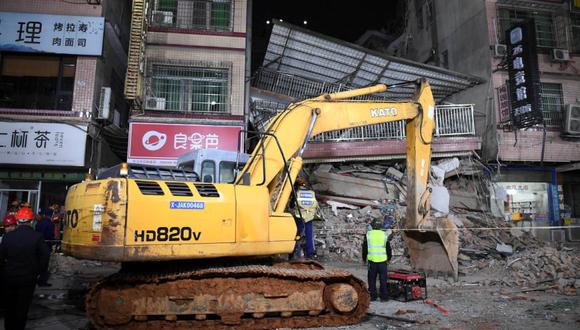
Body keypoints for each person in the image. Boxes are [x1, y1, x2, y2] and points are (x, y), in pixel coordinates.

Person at [0, 206, 50, 330]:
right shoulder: (37, 237)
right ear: (31, 220)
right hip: (28, 278)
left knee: (9, 307)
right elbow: (45, 255)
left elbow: (1, 258)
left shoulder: (8, 237)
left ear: (17, 221)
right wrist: (39, 272)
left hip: (9, 277)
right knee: (22, 308)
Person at [362, 218, 392, 302]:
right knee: (383, 280)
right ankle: (384, 297)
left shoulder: (368, 235)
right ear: (380, 226)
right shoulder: (384, 235)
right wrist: (389, 258)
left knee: (372, 279)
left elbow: (365, 248)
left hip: (372, 262)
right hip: (383, 262)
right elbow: (388, 248)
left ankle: (373, 296)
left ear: (372, 225)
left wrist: (364, 258)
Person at [292, 178, 318, 259]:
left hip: (299, 217)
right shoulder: (312, 193)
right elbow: (315, 205)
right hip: (309, 217)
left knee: (297, 235)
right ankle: (310, 254)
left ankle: (296, 253)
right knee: (309, 236)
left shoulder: (297, 193)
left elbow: (292, 205)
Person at [35, 209, 55, 286]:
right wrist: (53, 244)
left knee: (37, 262)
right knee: (44, 265)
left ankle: (35, 278)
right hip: (46, 245)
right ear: (51, 215)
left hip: (37, 245)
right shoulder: (50, 224)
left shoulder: (39, 223)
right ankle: (42, 281)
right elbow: (50, 236)